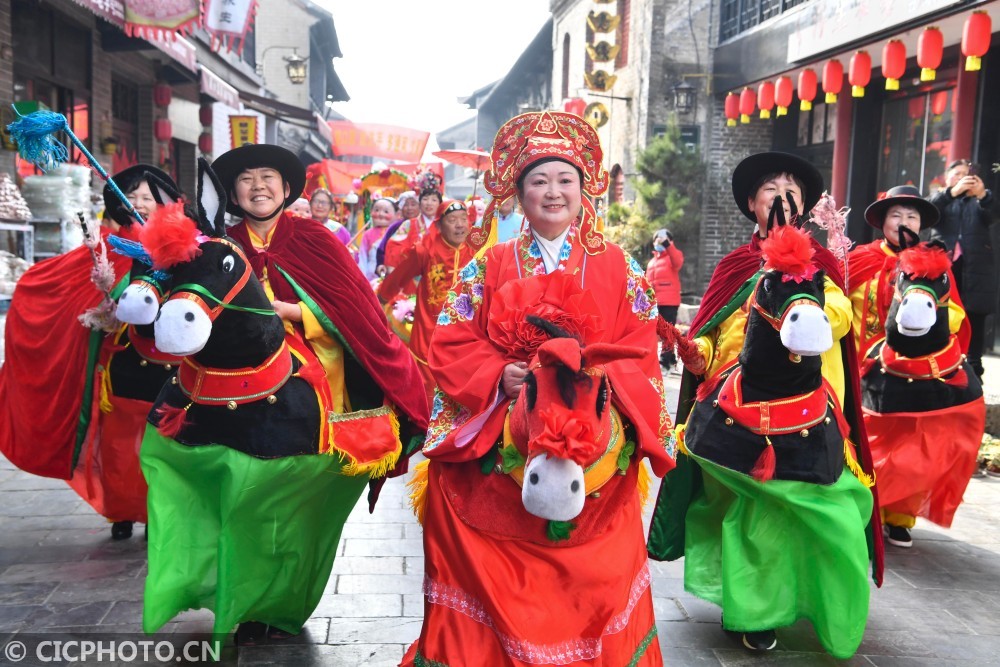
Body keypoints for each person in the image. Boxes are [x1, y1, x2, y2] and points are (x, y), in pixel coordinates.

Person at [403, 111, 674, 666]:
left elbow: (642, 346)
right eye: (538, 181)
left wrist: (596, 374)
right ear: (519, 194)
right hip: (506, 427)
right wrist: (498, 373)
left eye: (564, 180)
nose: (553, 193)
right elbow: (450, 341)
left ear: (584, 190)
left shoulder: (621, 267)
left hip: (589, 431)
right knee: (460, 511)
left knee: (602, 565)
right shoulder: (490, 264)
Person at [139, 143, 428, 644]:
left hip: (312, 353)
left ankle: (281, 591)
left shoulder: (314, 238)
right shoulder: (215, 243)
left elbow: (356, 312)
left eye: (267, 176)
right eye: (246, 178)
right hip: (223, 367)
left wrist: (294, 313)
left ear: (287, 187)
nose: (258, 186)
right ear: (230, 193)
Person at [646, 151, 882, 656]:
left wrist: (810, 302)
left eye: (792, 187)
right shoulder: (735, 267)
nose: (782, 195)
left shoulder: (821, 268)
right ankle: (755, 610)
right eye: (771, 188)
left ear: (805, 204)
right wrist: (695, 350)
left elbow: (836, 319)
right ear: (752, 203)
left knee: (834, 506)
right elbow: (715, 341)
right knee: (746, 516)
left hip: (809, 413)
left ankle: (811, 598)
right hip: (736, 413)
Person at [0, 164, 180, 540]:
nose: (140, 204)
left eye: (148, 197)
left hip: (169, 370)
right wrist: (103, 303)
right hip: (120, 367)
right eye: (132, 197)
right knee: (118, 447)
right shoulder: (104, 246)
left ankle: (155, 512)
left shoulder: (179, 248)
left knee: (163, 445)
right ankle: (123, 511)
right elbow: (58, 285)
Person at [848, 186, 969, 549]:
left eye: (911, 217)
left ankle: (899, 515)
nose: (904, 222)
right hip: (861, 364)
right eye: (896, 215)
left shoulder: (934, 265)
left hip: (910, 370)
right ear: (882, 221)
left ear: (921, 225)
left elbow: (956, 314)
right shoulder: (859, 258)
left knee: (909, 443)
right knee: (863, 440)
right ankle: (862, 506)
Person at [377, 199, 474, 399]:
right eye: (453, 220)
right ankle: (426, 425)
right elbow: (399, 277)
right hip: (430, 326)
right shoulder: (425, 250)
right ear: (439, 225)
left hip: (466, 327)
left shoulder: (477, 250)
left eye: (464, 219)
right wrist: (381, 299)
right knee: (427, 381)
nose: (459, 225)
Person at [928, 159, 997, 381]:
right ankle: (941, 364)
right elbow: (929, 213)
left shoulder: (980, 201)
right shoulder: (941, 199)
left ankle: (974, 369)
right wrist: (951, 193)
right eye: (957, 173)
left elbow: (994, 214)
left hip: (975, 267)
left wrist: (983, 195)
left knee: (975, 316)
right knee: (942, 314)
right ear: (947, 177)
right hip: (944, 265)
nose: (962, 178)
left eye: (967, 174)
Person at [646, 228, 684, 369]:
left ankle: (664, 359)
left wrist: (668, 245)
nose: (658, 241)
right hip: (654, 302)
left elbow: (677, 262)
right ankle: (671, 357)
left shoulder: (673, 256)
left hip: (669, 301)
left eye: (661, 239)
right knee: (657, 331)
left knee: (667, 331)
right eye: (656, 239)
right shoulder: (652, 262)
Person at [358, 196, 397, 281]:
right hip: (371, 277)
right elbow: (362, 257)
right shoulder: (368, 234)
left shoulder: (398, 231)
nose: (380, 214)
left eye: (386, 211)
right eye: (376, 210)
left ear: (396, 215)